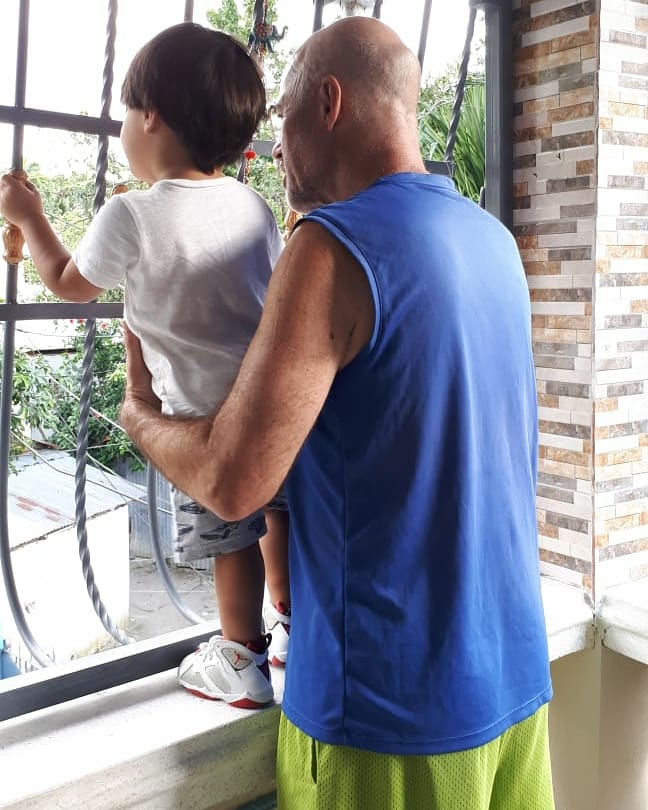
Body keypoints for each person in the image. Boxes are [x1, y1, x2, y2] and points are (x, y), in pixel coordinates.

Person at [120, 16, 555, 810]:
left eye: (283, 117)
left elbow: (232, 481)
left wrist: (139, 412)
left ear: (328, 102)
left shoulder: (330, 246)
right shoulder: (492, 240)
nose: (273, 150)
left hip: (386, 720)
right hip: (516, 692)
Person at [0, 22, 292, 710]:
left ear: (151, 116)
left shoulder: (132, 214)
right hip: (276, 403)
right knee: (278, 514)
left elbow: (71, 283)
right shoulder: (252, 205)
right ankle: (293, 623)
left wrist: (29, 218)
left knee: (230, 535)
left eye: (127, 112)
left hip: (202, 419)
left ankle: (241, 657)